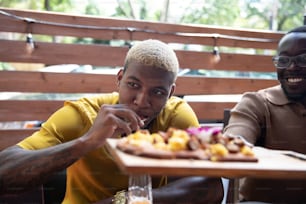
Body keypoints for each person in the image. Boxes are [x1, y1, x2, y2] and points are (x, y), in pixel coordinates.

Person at [0, 39, 224, 203]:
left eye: (157, 92)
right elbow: (4, 173)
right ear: (119, 79)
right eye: (133, 85)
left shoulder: (177, 116)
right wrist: (86, 142)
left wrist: (124, 201)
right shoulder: (82, 114)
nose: (141, 101)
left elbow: (211, 187)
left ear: (171, 92)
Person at [223, 25, 306, 203]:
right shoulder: (257, 103)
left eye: (303, 59)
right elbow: (234, 143)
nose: (291, 67)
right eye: (283, 60)